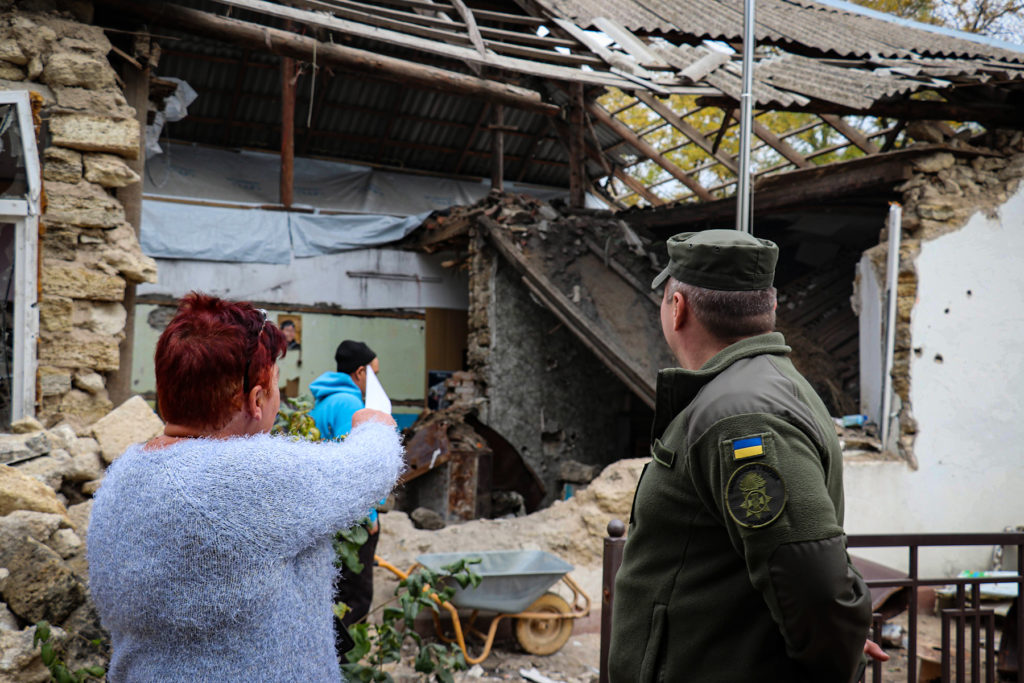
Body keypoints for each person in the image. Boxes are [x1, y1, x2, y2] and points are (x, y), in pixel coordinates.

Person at [87, 294, 403, 682]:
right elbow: (369, 468)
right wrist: (375, 424)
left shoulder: (123, 475)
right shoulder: (241, 479)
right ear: (256, 400)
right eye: (274, 387)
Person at [608, 230, 879, 683]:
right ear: (769, 309)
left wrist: (837, 644)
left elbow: (811, 583)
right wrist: (833, 635)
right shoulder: (753, 392)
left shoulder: (742, 414)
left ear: (678, 309)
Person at [309, 340, 385, 642]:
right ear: (360, 373)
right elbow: (353, 467)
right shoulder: (350, 406)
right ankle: (346, 661)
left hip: (328, 512)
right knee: (357, 595)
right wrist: (370, 514)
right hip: (351, 518)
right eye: (375, 374)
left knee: (336, 590)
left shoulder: (324, 402)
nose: (376, 383)